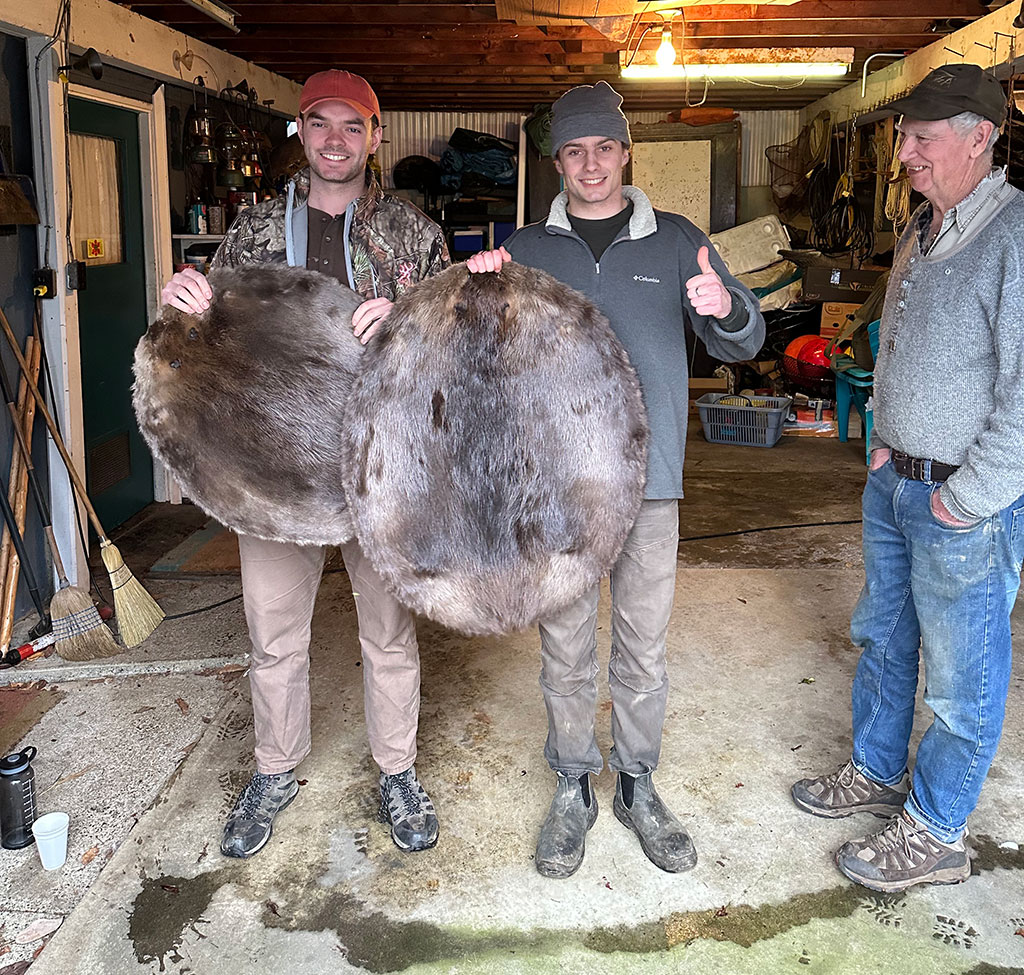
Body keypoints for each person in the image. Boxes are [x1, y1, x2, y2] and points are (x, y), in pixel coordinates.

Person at [467, 81, 765, 878]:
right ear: (557, 159)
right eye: (575, 150)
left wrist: (725, 308)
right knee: (564, 645)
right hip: (557, 488)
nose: (591, 164)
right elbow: (482, 364)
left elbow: (744, 342)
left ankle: (636, 782)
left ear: (627, 152)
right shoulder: (524, 249)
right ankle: (573, 783)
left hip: (650, 481)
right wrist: (478, 295)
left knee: (642, 645)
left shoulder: (676, 241)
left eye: (604, 147)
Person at [160, 69, 450, 859]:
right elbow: (210, 344)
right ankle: (274, 768)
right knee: (273, 630)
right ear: (300, 133)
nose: (334, 140)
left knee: (388, 633)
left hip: (376, 465)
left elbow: (456, 342)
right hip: (275, 467)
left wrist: (410, 314)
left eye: (351, 126)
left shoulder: (414, 233)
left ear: (375, 137)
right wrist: (186, 301)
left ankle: (397, 769)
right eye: (319, 124)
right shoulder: (252, 231)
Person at [791, 63, 1024, 893]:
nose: (905, 157)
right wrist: (884, 443)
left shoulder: (1013, 237)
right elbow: (892, 345)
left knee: (966, 676)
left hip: (965, 498)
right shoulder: (925, 230)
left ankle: (937, 829)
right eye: (902, 139)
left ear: (980, 138)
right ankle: (877, 769)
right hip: (898, 482)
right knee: (885, 640)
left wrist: (970, 495)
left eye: (922, 140)